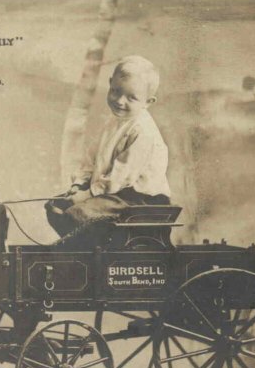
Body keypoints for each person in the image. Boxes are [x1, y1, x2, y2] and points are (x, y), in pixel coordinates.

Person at [46, 55, 171, 248]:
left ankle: (89, 249)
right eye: (115, 91)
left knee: (79, 213)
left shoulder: (143, 131)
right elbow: (92, 158)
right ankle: (83, 247)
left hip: (139, 200)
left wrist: (88, 195)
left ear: (148, 101)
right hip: (113, 193)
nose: (120, 101)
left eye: (132, 97)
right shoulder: (114, 121)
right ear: (110, 83)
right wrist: (79, 184)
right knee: (55, 206)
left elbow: (121, 176)